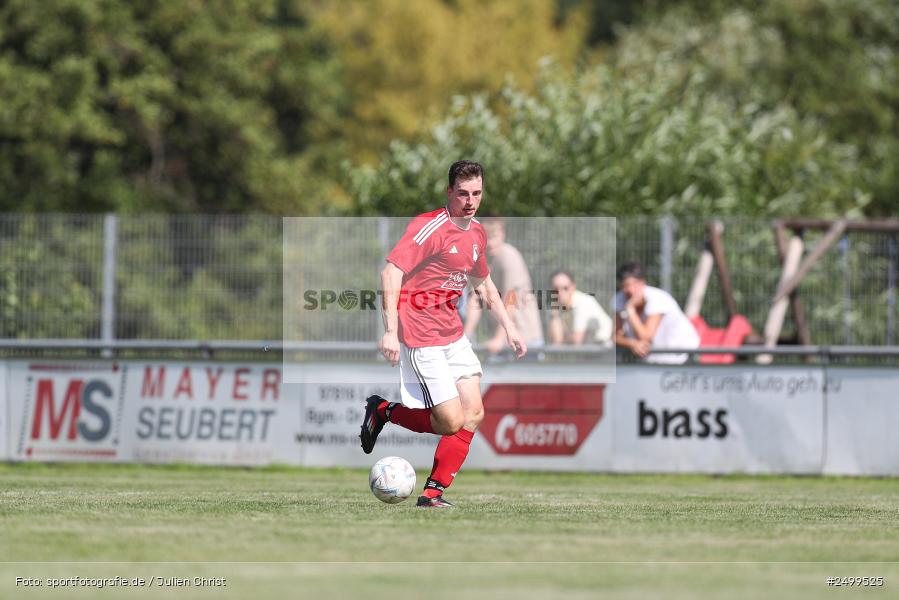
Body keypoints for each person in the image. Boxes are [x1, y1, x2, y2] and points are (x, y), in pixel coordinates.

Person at [360, 160, 527, 508]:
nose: (470, 200)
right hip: (421, 334)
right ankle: (384, 411)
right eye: (463, 193)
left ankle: (433, 493)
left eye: (477, 193)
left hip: (452, 332)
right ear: (449, 192)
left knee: (474, 412)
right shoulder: (429, 227)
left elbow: (483, 283)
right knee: (450, 422)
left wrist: (510, 327)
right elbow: (390, 274)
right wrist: (390, 331)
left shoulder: (478, 233)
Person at [463, 218, 544, 358]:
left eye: (494, 237)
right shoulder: (482, 259)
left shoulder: (509, 257)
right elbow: (475, 299)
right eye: (486, 239)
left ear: (502, 234)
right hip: (504, 338)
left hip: (525, 338)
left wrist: (499, 339)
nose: (490, 243)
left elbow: (511, 300)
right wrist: (465, 336)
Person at [614, 261, 699, 364]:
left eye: (633, 285)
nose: (630, 290)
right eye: (625, 286)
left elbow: (645, 336)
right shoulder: (619, 300)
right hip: (656, 360)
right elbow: (615, 337)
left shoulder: (657, 299)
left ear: (642, 283)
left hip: (683, 355)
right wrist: (632, 344)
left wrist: (630, 310)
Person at [547, 270, 613, 346]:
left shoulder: (583, 302)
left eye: (565, 288)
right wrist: (554, 314)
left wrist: (563, 339)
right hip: (586, 352)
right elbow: (555, 342)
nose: (559, 292)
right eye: (555, 289)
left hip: (604, 351)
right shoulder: (553, 305)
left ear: (573, 287)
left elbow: (577, 341)